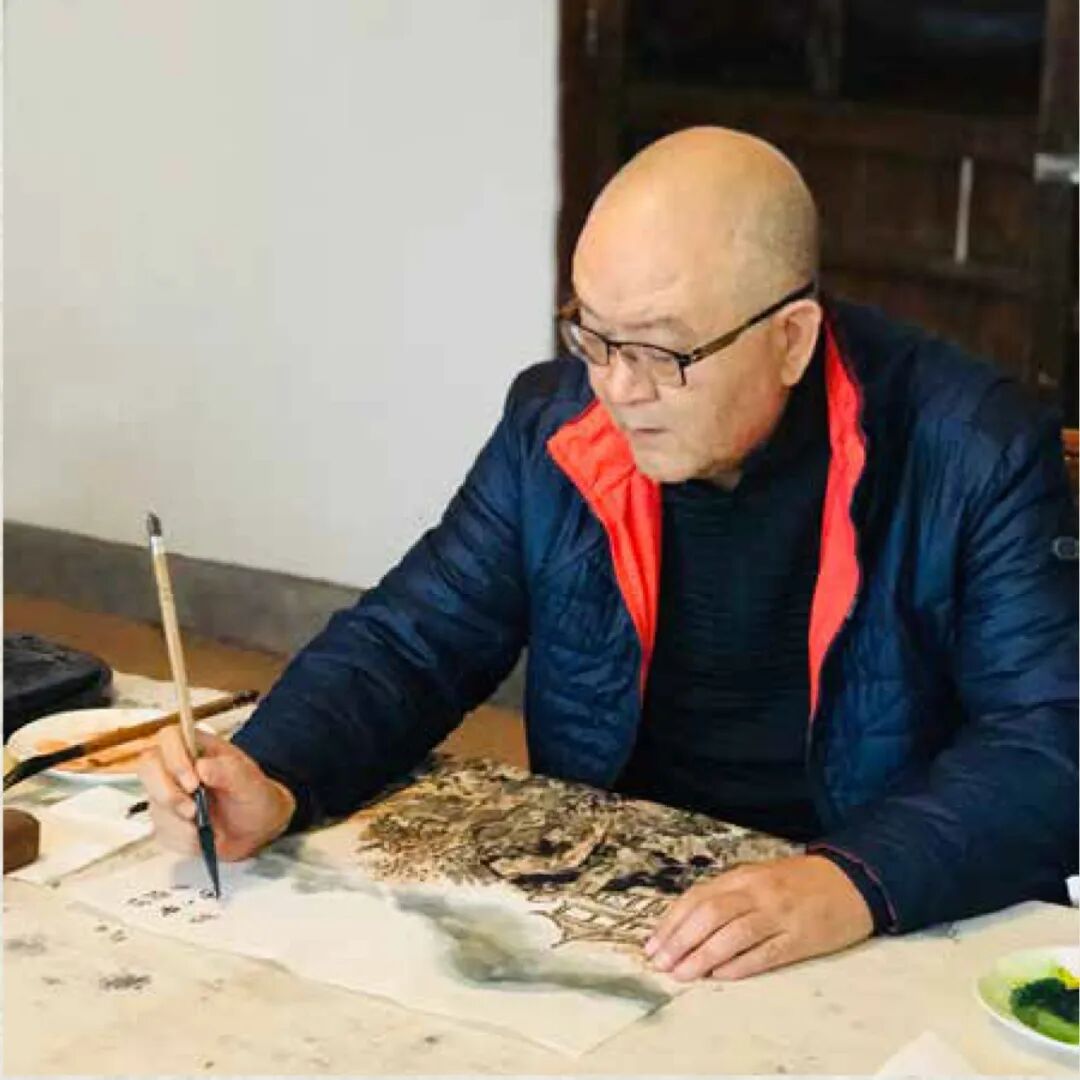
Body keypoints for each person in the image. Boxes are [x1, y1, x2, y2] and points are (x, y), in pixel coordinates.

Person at [139, 127, 1078, 982]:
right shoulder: (558, 427)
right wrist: (274, 771)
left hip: (862, 909)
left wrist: (855, 880)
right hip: (624, 907)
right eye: (592, 335)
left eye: (665, 353)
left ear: (791, 340)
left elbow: (1050, 739)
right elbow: (414, 639)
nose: (619, 389)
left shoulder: (973, 448)